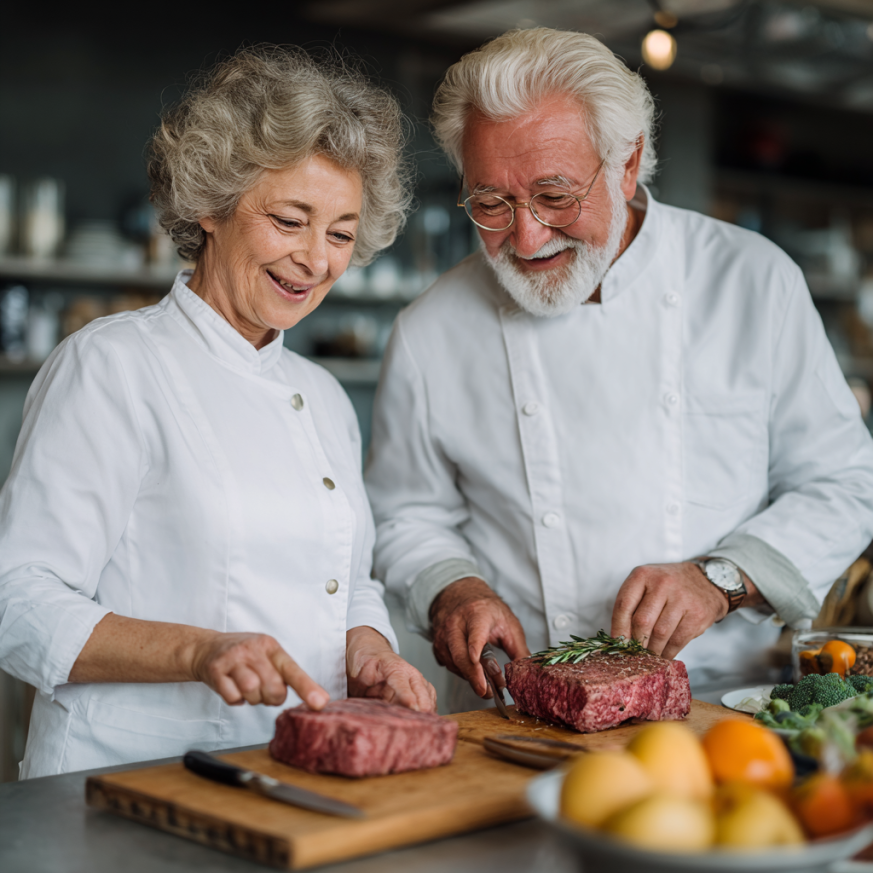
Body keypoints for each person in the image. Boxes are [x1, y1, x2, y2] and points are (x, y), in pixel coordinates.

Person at [365, 27, 873, 710]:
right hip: (516, 716)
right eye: (490, 202)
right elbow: (403, 513)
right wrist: (454, 588)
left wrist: (720, 578)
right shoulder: (431, 329)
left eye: (554, 195)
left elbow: (844, 481)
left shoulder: (750, 282)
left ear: (626, 164)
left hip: (726, 709)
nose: (525, 236)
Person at [0, 46, 435, 779]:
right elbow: (16, 596)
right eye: (291, 219)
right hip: (122, 782)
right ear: (210, 203)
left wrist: (366, 644)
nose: (316, 259)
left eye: (339, 232)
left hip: (290, 774)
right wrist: (199, 652)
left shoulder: (323, 397)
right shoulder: (112, 366)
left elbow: (342, 576)